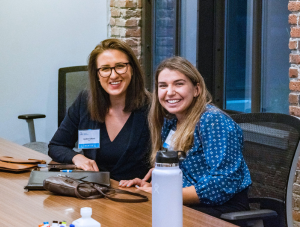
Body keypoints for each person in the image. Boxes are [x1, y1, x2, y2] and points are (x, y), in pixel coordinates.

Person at [119, 56, 252, 218]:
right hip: (184, 203)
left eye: (179, 84)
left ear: (197, 89)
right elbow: (180, 173)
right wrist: (152, 187)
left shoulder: (212, 120)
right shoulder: (171, 122)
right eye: (163, 86)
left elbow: (222, 183)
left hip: (222, 209)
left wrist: (167, 195)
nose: (170, 92)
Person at [48, 39, 151, 181]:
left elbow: (168, 158)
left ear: (132, 69)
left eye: (120, 66)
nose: (113, 75)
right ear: (97, 74)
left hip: (134, 195)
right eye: (105, 69)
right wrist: (77, 157)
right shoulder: (84, 102)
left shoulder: (152, 108)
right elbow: (56, 145)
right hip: (92, 190)